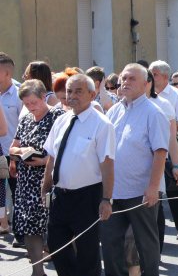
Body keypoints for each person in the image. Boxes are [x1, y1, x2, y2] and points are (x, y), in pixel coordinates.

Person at [41, 74, 115, 276]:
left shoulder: (101, 124)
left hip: (87, 196)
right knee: (56, 245)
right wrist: (45, 185)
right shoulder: (62, 120)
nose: (72, 96)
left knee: (88, 252)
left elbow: (107, 164)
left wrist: (106, 198)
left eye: (78, 91)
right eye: (69, 91)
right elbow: (52, 157)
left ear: (92, 94)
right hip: (60, 196)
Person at [102, 63, 169, 276]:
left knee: (145, 245)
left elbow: (160, 152)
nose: (125, 82)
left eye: (132, 78)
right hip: (114, 192)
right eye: (123, 78)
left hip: (141, 192)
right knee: (111, 245)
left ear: (146, 83)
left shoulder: (153, 112)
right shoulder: (114, 111)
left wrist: (153, 187)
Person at [9, 79, 65, 276]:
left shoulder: (58, 116)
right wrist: (22, 152)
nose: (31, 107)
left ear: (43, 97)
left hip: (49, 179)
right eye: (26, 104)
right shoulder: (26, 119)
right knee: (30, 227)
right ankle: (37, 270)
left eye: (34, 102)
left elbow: (63, 148)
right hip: (26, 182)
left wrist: (43, 160)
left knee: (57, 228)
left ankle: (66, 270)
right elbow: (13, 147)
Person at [149, 61, 178, 240]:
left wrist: (167, 127)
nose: (151, 77)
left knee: (175, 190)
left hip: (173, 145)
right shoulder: (146, 95)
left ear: (165, 77)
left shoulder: (176, 95)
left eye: (155, 74)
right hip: (153, 149)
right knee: (156, 193)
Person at [0, 52, 22, 242]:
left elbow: (24, 125)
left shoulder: (19, 93)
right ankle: (3, 223)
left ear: (7, 73)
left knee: (17, 192)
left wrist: (16, 154)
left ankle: (19, 231)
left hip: (12, 152)